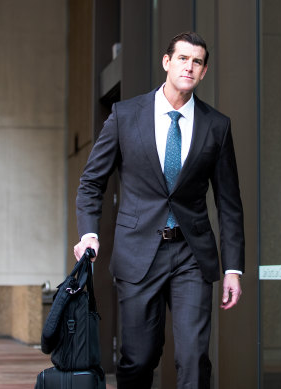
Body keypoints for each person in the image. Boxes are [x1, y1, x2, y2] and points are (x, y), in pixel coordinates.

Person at [73, 31, 245, 389]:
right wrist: (88, 233)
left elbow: (229, 204)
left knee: (194, 358)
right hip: (138, 252)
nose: (189, 66)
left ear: (204, 71)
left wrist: (233, 268)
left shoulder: (217, 126)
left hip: (191, 255)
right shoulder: (125, 115)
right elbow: (92, 182)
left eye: (197, 62)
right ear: (166, 62)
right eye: (183, 58)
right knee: (138, 358)